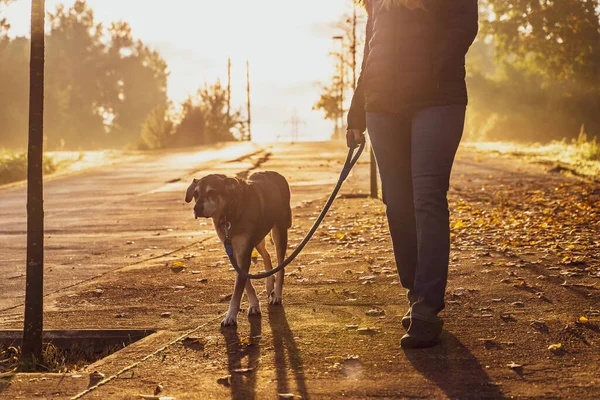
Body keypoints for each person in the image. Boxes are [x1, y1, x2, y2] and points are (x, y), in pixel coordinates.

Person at [347, 0, 479, 348]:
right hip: (382, 105)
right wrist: (356, 112)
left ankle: (426, 308)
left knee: (427, 197)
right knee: (397, 202)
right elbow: (371, 49)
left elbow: (464, 25)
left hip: (435, 99)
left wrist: (428, 71)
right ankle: (415, 291)